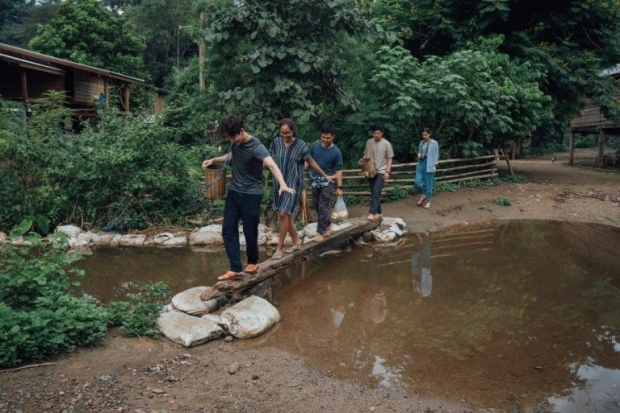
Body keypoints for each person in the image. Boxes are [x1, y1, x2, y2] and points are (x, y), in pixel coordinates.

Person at [202, 115, 295, 281]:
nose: (232, 140)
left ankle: (252, 261)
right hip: (234, 193)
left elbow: (272, 165)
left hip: (251, 194)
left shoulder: (256, 147)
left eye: (234, 137)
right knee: (228, 229)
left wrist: (282, 184)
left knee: (249, 230)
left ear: (242, 131)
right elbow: (230, 156)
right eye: (229, 138)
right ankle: (236, 268)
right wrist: (213, 159)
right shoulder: (234, 143)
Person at [269, 118, 332, 259]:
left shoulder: (300, 145)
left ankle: (279, 248)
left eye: (288, 133)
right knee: (286, 215)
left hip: (293, 184)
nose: (285, 135)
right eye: (282, 133)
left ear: (293, 131)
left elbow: (311, 162)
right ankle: (297, 241)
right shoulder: (275, 143)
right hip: (278, 183)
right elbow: (268, 161)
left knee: (283, 214)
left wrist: (325, 175)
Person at [309, 123, 344, 242]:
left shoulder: (336, 152)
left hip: (327, 183)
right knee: (317, 206)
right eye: (323, 137)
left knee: (323, 207)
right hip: (315, 181)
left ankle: (320, 232)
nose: (324, 140)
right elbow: (308, 160)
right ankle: (328, 225)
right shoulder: (314, 146)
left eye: (327, 138)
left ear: (333, 136)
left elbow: (338, 171)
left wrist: (340, 187)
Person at [361, 123, 394, 221]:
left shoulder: (387, 144)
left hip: (381, 170)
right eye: (374, 133)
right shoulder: (369, 142)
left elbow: (389, 159)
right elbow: (365, 156)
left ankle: (372, 212)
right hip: (371, 170)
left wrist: (387, 172)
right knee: (374, 192)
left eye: (378, 133)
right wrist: (363, 167)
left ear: (382, 133)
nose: (376, 135)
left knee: (376, 191)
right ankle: (379, 212)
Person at [415, 127, 439, 209]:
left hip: (429, 164)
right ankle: (423, 195)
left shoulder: (434, 143)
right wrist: (419, 155)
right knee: (417, 182)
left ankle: (428, 200)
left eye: (425, 135)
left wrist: (434, 165)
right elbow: (420, 152)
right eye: (423, 134)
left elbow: (436, 154)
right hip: (421, 163)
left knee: (429, 183)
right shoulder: (421, 143)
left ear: (429, 134)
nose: (424, 136)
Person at [411, 232, 432, 302]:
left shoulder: (415, 290)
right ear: (420, 300)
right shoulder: (426, 293)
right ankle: (426, 236)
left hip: (416, 271)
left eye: (415, 300)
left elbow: (413, 280)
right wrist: (429, 273)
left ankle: (419, 240)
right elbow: (429, 283)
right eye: (417, 301)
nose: (416, 299)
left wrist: (414, 280)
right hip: (424, 272)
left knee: (415, 255)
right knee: (426, 253)